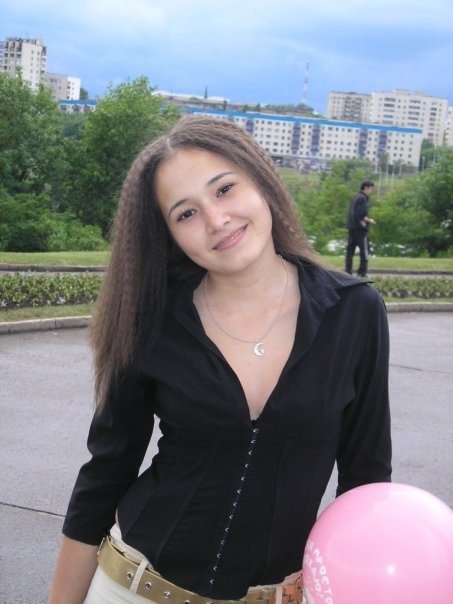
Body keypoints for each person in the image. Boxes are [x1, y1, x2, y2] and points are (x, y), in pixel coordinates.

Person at [48, 116, 391, 604]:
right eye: (186, 213)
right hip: (133, 587)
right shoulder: (152, 319)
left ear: (261, 180)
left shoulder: (354, 312)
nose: (216, 219)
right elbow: (106, 473)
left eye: (225, 189)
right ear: (169, 234)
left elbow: (366, 481)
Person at [344, 180, 376, 278]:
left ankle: (348, 270)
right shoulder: (363, 198)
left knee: (350, 250)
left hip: (351, 226)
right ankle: (362, 272)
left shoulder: (355, 197)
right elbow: (361, 215)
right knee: (364, 250)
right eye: (371, 189)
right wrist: (370, 221)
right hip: (360, 228)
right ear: (366, 188)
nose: (371, 192)